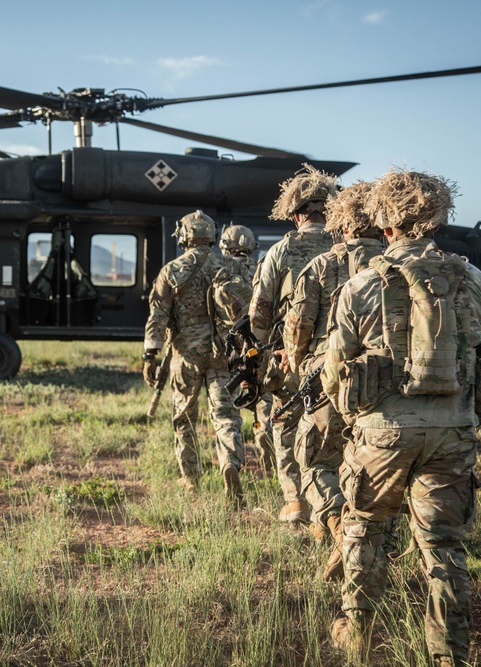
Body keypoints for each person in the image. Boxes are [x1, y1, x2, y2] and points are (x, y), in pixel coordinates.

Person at [322, 169, 481, 665]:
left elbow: (335, 368)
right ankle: (449, 654)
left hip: (381, 434)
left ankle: (357, 630)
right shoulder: (473, 281)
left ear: (385, 226)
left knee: (364, 525)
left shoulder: (362, 284)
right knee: (444, 546)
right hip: (453, 432)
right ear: (437, 221)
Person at [282, 181, 385, 581]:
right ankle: (375, 543)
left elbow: (298, 333)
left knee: (313, 462)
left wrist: (294, 363)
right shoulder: (397, 268)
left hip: (330, 382)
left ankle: (340, 528)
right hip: (388, 387)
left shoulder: (321, 266)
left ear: (342, 225)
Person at [248, 164, 337, 523]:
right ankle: (331, 503)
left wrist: (255, 357)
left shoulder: (281, 251)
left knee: (285, 422)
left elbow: (259, 313)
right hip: (343, 357)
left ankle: (296, 501)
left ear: (295, 213)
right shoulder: (346, 247)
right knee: (334, 430)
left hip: (292, 357)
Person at [143, 210, 245, 506]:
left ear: (185, 235)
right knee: (226, 415)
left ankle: (190, 479)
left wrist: (150, 354)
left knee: (184, 417)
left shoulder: (172, 270)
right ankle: (229, 463)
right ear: (212, 235)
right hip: (224, 354)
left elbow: (158, 316)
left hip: (186, 355)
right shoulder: (229, 266)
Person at [218, 223, 276, 476]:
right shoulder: (265, 268)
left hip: (229, 353)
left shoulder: (219, 271)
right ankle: (269, 455)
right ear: (252, 246)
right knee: (265, 403)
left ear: (224, 246)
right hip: (263, 346)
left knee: (228, 412)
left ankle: (231, 460)